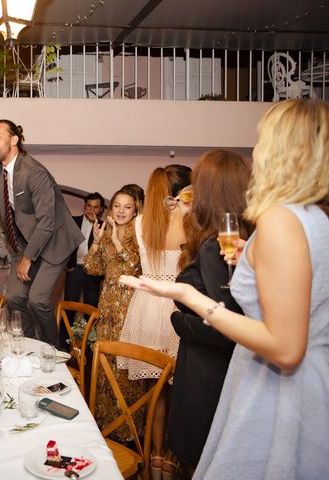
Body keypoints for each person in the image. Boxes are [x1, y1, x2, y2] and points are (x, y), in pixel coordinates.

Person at [121, 99, 329, 479]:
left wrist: (190, 298)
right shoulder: (315, 217)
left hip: (277, 389)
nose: (257, 152)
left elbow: (285, 347)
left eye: (263, 139)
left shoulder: (282, 220)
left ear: (283, 148)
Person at [167, 150, 252, 476]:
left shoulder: (218, 245)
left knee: (202, 463)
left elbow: (226, 324)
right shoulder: (239, 237)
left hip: (208, 373)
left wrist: (178, 321)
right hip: (222, 371)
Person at [117, 164, 191, 476]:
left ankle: (154, 454)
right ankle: (172, 455)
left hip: (146, 306)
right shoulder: (189, 220)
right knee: (178, 389)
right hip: (175, 306)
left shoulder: (140, 222)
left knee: (155, 390)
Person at [0, 119, 84, 347]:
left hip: (54, 241)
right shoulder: (2, 169)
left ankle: (53, 349)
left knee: (38, 300)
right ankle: (30, 345)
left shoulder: (34, 172)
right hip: (29, 242)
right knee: (13, 298)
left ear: (14, 140)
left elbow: (46, 222)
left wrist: (27, 259)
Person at [84, 184, 145, 439]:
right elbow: (92, 268)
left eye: (127, 207)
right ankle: (105, 424)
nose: (121, 211)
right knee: (105, 365)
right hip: (107, 305)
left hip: (129, 306)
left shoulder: (140, 234)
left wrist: (119, 242)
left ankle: (128, 431)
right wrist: (98, 243)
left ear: (135, 210)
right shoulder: (107, 232)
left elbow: (133, 267)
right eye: (117, 205)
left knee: (125, 368)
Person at [64, 192, 106, 309]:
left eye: (95, 207)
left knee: (91, 309)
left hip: (93, 274)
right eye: (89, 206)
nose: (91, 210)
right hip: (74, 270)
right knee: (69, 309)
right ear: (84, 207)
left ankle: (89, 329)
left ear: (101, 209)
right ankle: (65, 328)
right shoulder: (73, 222)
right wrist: (66, 265)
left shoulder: (105, 227)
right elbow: (63, 243)